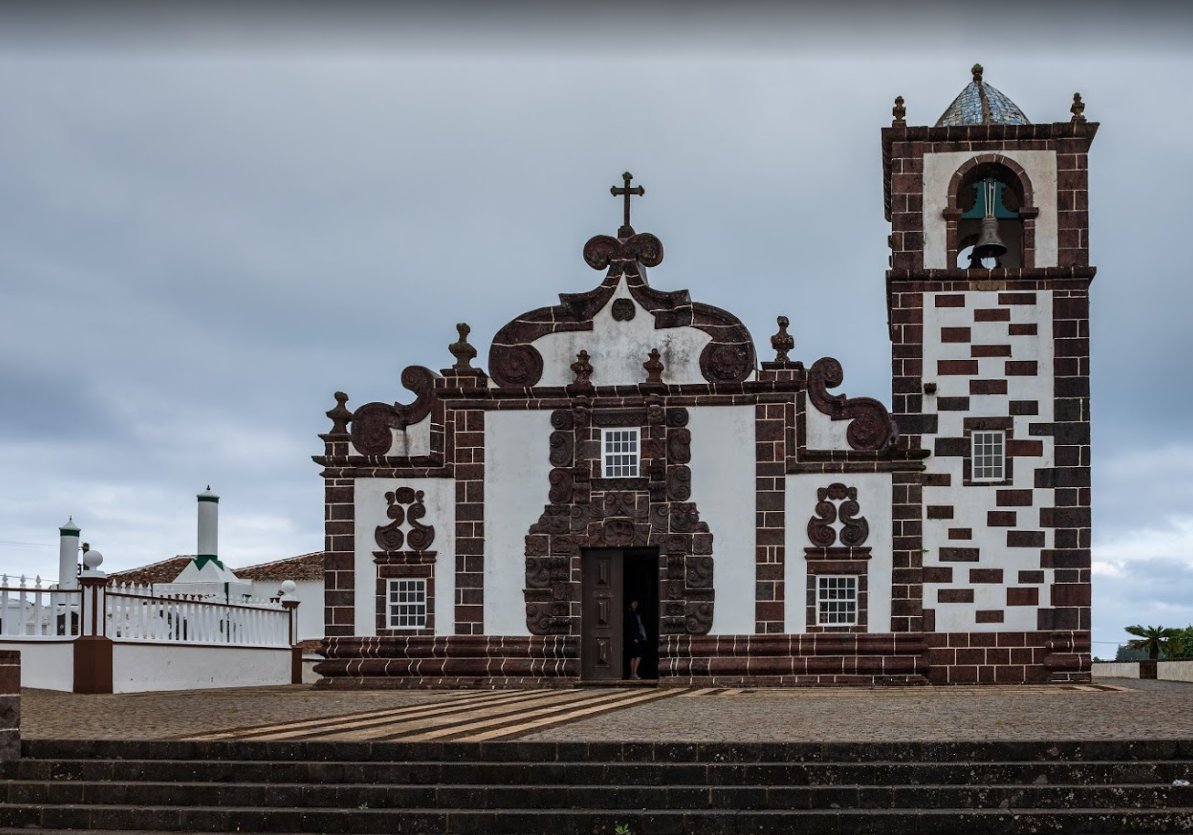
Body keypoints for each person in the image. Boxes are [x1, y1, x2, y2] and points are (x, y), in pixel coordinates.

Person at [625, 599, 647, 680]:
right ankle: (633, 673)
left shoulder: (636, 614)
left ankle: (633, 674)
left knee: (635, 656)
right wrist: (634, 637)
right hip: (634, 639)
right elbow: (631, 627)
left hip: (636, 638)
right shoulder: (630, 614)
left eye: (636, 603)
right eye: (634, 603)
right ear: (630, 604)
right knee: (637, 656)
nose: (635, 605)